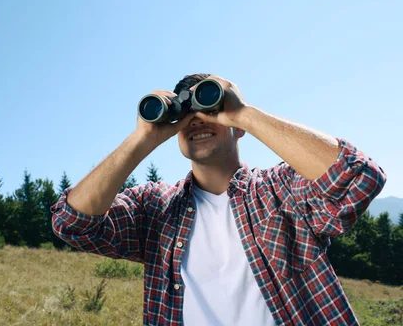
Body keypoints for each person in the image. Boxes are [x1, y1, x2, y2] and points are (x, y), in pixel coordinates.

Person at [50, 73, 387, 326]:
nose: (197, 120)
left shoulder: (279, 191)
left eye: (208, 107)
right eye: (185, 116)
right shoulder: (154, 208)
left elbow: (358, 178)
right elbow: (72, 224)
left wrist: (243, 114)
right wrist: (143, 138)